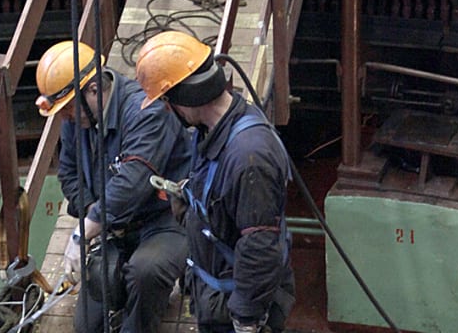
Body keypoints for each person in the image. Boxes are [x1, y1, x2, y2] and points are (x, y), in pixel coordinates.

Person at [134, 31, 295, 333]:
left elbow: (259, 245)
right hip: (217, 296)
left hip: (239, 306)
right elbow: (224, 203)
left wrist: (246, 321)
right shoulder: (211, 130)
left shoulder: (249, 156)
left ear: (186, 96)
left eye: (167, 101)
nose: (167, 109)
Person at [35, 40, 190, 333]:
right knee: (87, 325)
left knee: (146, 272)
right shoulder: (77, 119)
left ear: (94, 89)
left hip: (165, 219)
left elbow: (133, 182)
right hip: (114, 227)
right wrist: (92, 210)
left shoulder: (146, 112)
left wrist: (84, 232)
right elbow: (69, 174)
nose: (65, 117)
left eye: (68, 109)